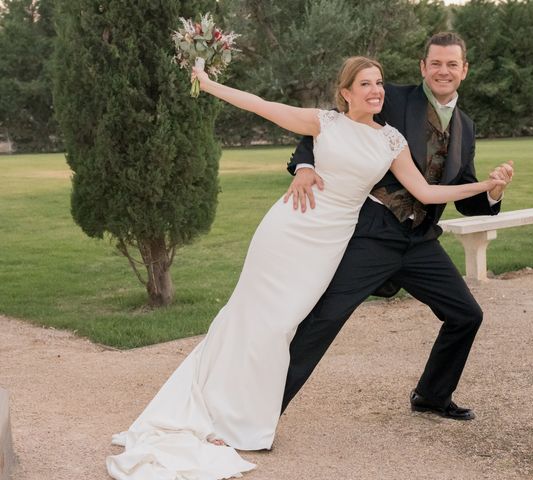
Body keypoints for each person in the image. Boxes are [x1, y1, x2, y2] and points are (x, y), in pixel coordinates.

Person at [106, 56, 504, 480]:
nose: (376, 91)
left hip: (331, 241)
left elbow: (425, 189)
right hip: (292, 227)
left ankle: (240, 412)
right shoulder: (323, 123)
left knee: (284, 324)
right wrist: (207, 85)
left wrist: (487, 186)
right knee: (254, 316)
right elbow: (259, 104)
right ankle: (226, 417)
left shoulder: (392, 141)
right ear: (346, 92)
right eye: (365, 84)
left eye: (380, 83)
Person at [282, 32, 514, 420]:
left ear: (464, 70)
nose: (444, 71)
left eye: (452, 64)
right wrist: (305, 165)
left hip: (420, 240)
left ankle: (431, 396)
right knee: (325, 317)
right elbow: (332, 124)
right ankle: (262, 408)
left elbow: (460, 194)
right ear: (423, 67)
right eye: (436, 63)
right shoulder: (390, 96)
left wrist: (492, 192)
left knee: (466, 315)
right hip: (375, 232)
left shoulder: (466, 127)